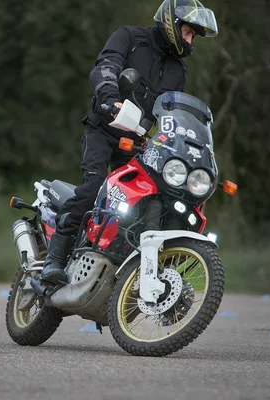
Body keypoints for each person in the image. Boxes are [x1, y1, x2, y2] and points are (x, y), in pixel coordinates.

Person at [41, 0, 219, 284]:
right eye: (187, 32)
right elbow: (105, 67)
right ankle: (54, 260)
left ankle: (129, 268)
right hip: (105, 128)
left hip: (137, 142)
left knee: (153, 199)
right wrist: (109, 98)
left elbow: (172, 113)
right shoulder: (130, 37)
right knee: (92, 189)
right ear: (172, 23)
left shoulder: (179, 69)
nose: (189, 39)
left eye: (193, 35)